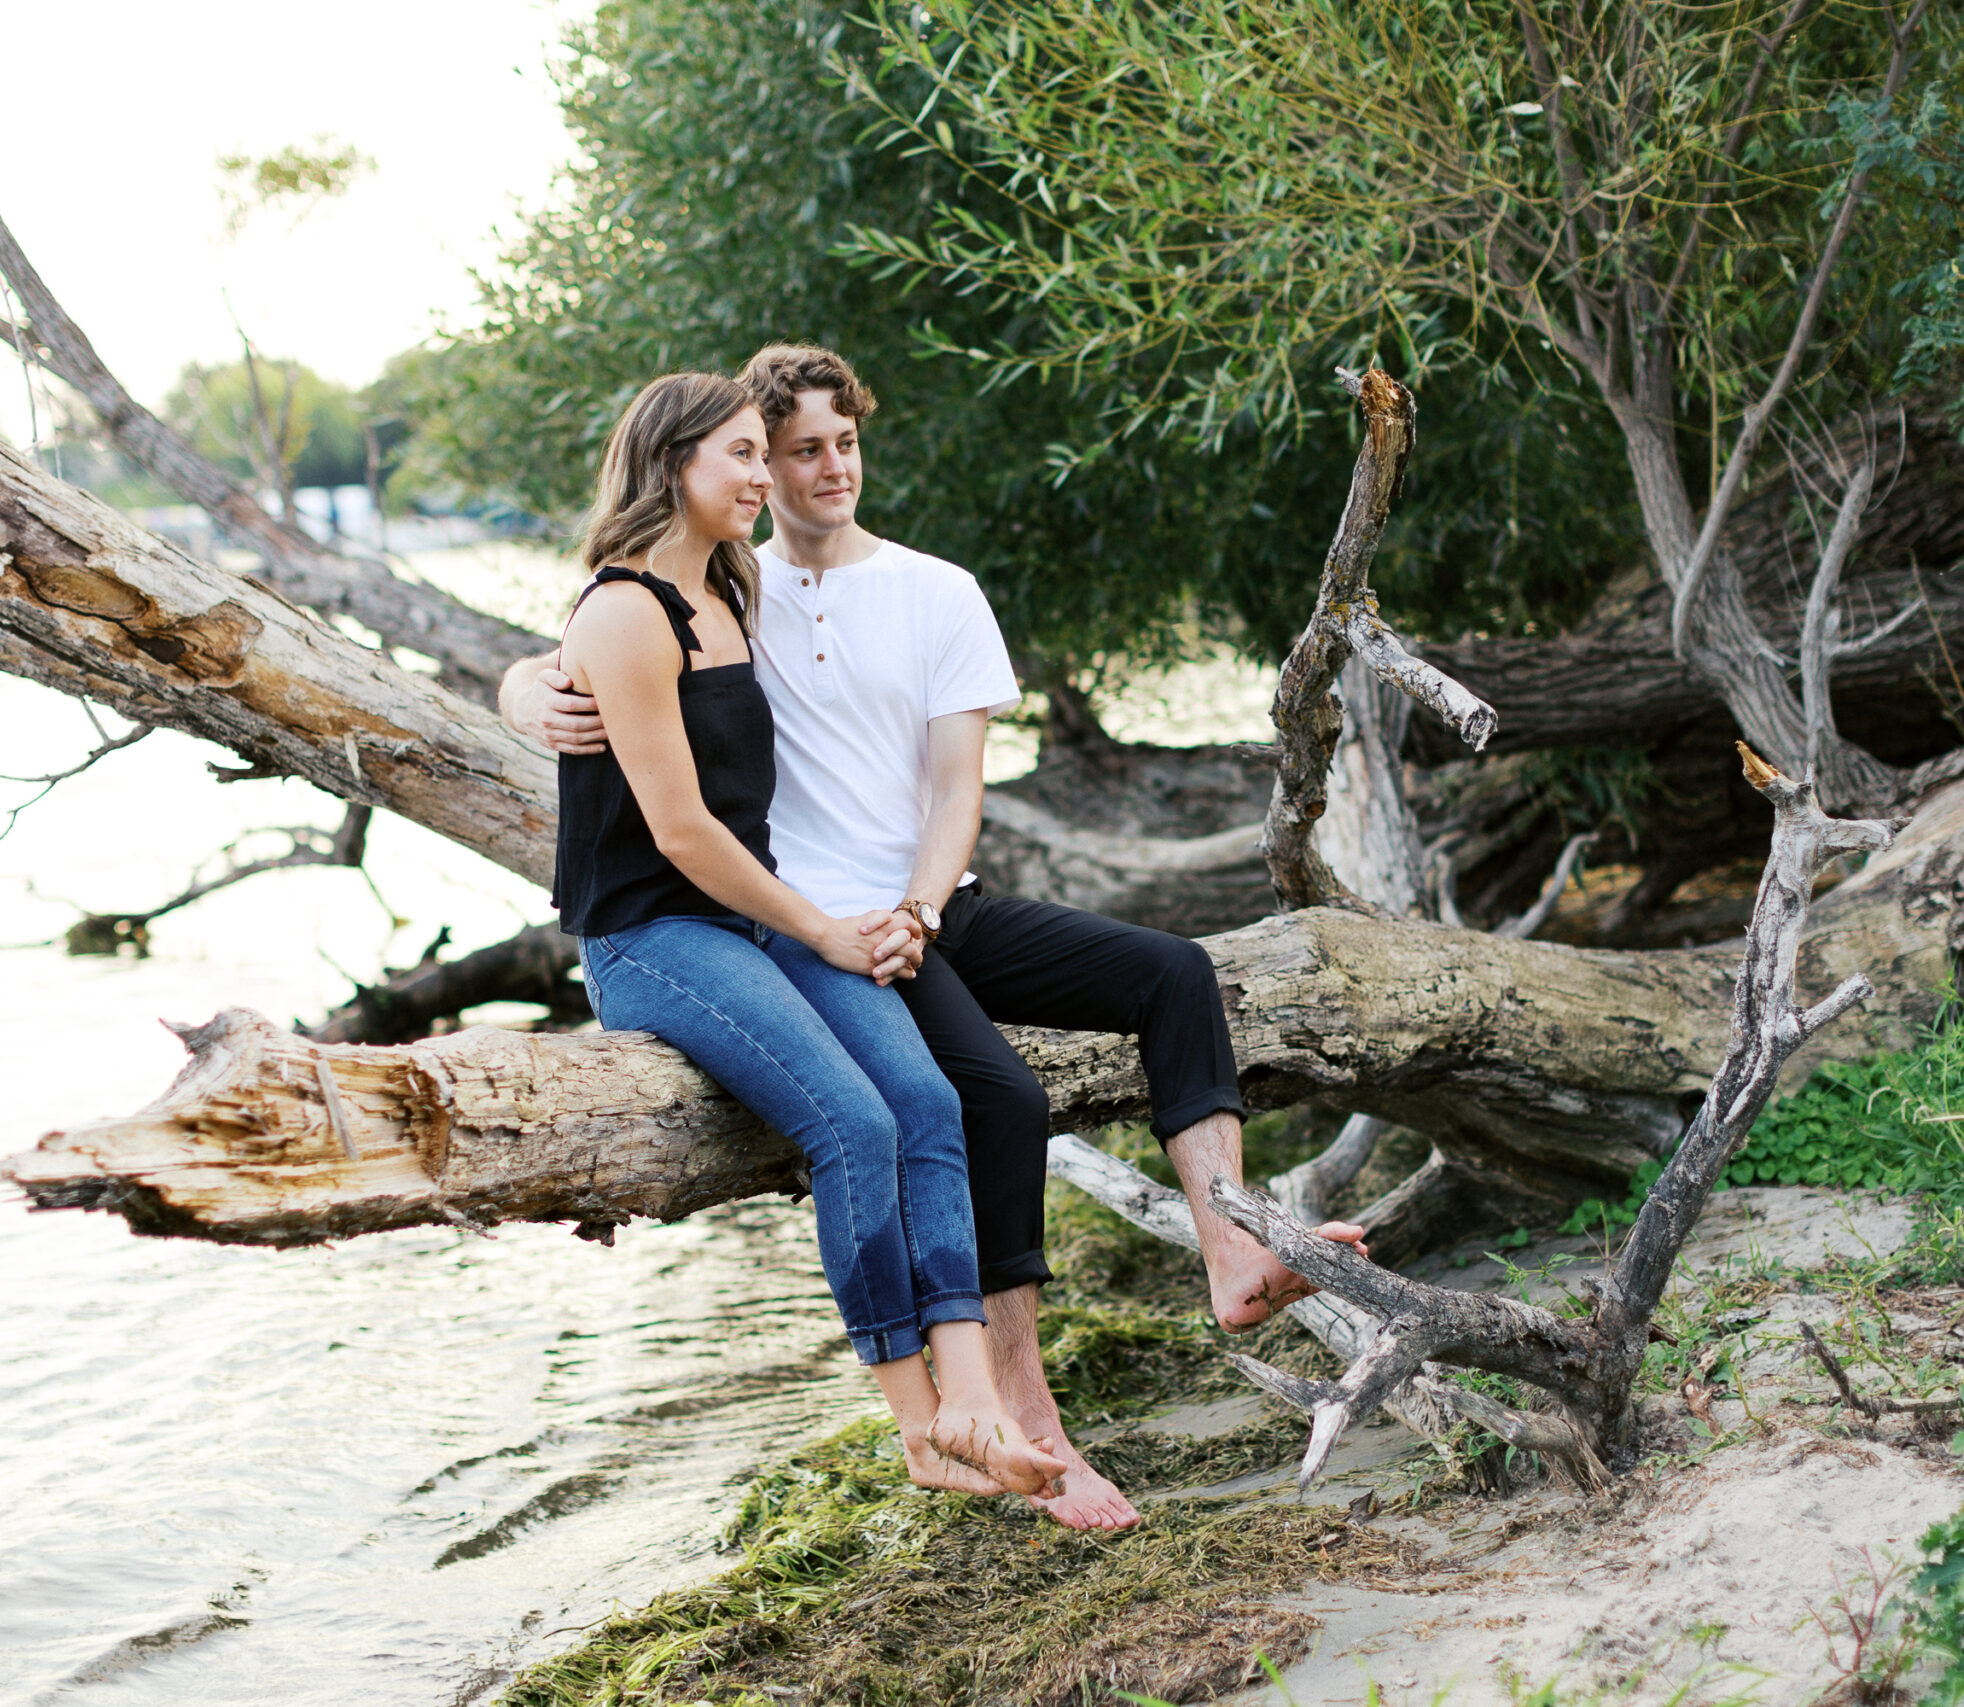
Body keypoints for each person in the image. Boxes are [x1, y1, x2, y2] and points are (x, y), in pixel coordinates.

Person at [507, 346, 1366, 1530]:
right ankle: (1020, 1422)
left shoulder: (918, 589)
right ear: (716, 459)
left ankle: (1232, 1247)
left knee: (1173, 970)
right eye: (780, 449)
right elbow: (606, 643)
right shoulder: (736, 583)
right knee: (989, 1102)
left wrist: (916, 911)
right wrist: (522, 685)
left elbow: (956, 783)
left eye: (832, 444)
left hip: (920, 907)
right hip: (804, 922)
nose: (811, 469)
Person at [551, 369, 1065, 1501]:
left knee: (926, 1104)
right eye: (739, 455)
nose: (762, 476)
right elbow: (679, 829)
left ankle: (975, 1397)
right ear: (670, 462)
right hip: (652, 936)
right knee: (849, 1119)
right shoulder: (624, 610)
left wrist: (823, 921)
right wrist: (825, 931)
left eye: (759, 453)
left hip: (753, 916)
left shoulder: (733, 595)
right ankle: (920, 1427)